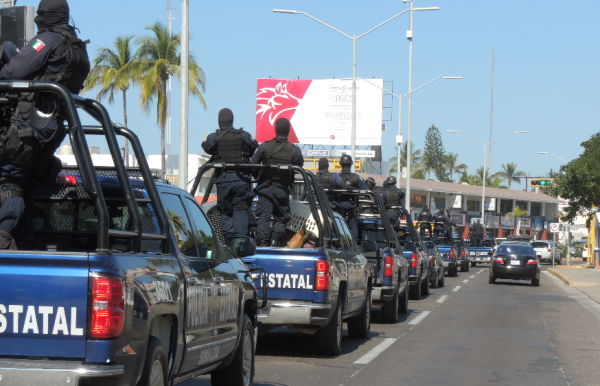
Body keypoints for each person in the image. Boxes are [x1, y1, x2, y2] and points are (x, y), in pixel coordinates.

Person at [0, 0, 89, 249]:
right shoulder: (78, 47)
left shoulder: (48, 40)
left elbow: (11, 72)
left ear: (45, 15)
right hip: (51, 128)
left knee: (10, 183)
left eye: (40, 14)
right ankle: (24, 245)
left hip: (28, 125)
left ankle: (4, 244)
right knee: (23, 184)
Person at [201, 108, 258, 243]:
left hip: (223, 181)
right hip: (241, 181)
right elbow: (253, 147)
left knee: (225, 211)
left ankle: (229, 242)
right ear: (232, 120)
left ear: (219, 121)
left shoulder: (214, 137)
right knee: (240, 209)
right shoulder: (244, 135)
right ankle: (241, 244)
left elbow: (206, 147)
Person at [251, 118, 304, 247]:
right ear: (288, 130)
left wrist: (258, 177)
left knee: (264, 216)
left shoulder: (264, 146)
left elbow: (252, 164)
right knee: (281, 217)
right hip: (282, 190)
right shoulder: (294, 150)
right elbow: (299, 166)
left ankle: (262, 244)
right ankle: (275, 243)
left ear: (275, 130)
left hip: (265, 189)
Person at [336, 154, 367, 241]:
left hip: (339, 205)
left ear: (341, 164)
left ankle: (339, 243)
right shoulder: (356, 177)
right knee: (353, 226)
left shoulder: (336, 177)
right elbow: (365, 190)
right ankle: (353, 246)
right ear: (350, 164)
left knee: (339, 225)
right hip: (352, 205)